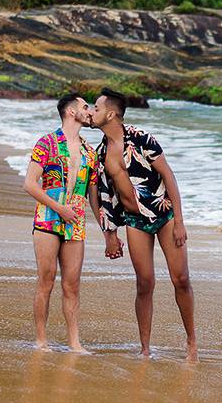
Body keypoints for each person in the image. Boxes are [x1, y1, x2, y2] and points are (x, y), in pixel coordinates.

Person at [90, 87, 198, 362]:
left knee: (181, 279)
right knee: (144, 283)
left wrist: (180, 222)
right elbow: (101, 198)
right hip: (134, 220)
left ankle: (191, 342)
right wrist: (109, 235)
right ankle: (145, 348)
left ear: (111, 114)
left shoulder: (141, 138)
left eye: (97, 108)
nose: (92, 112)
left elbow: (168, 176)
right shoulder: (100, 154)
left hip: (164, 214)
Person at [22, 93, 105, 353]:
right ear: (71, 112)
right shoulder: (46, 143)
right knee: (45, 281)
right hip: (47, 218)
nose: (89, 110)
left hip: (76, 223)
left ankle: (74, 343)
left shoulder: (89, 152)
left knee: (72, 284)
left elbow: (94, 198)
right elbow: (29, 184)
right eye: (85, 106)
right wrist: (59, 208)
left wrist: (108, 231)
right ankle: (41, 340)